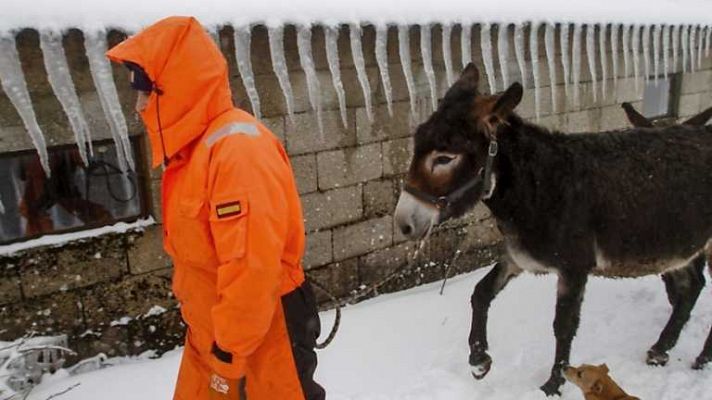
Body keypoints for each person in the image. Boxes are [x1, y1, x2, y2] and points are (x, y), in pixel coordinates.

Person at [105, 16, 325, 400]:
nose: (139, 104)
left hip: (260, 332)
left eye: (146, 90)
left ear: (175, 86)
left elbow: (251, 269)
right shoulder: (192, 152)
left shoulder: (236, 149)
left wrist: (229, 355)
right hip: (214, 331)